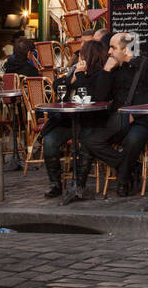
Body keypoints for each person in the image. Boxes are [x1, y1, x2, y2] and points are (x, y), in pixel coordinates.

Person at [74, 32, 148, 199]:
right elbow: (100, 97)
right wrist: (107, 70)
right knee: (89, 140)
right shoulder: (114, 69)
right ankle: (128, 167)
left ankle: (123, 180)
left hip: (143, 120)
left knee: (134, 138)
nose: (108, 52)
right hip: (118, 120)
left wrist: (135, 115)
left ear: (126, 50)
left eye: (113, 48)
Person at [41, 38, 108, 199]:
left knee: (85, 143)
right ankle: (55, 184)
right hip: (67, 121)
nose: (78, 58)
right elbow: (57, 85)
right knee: (49, 141)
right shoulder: (74, 71)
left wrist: (80, 76)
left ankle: (78, 185)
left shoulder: (100, 74)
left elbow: (93, 94)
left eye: (81, 55)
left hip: (89, 121)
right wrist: (72, 79)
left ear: (89, 57)